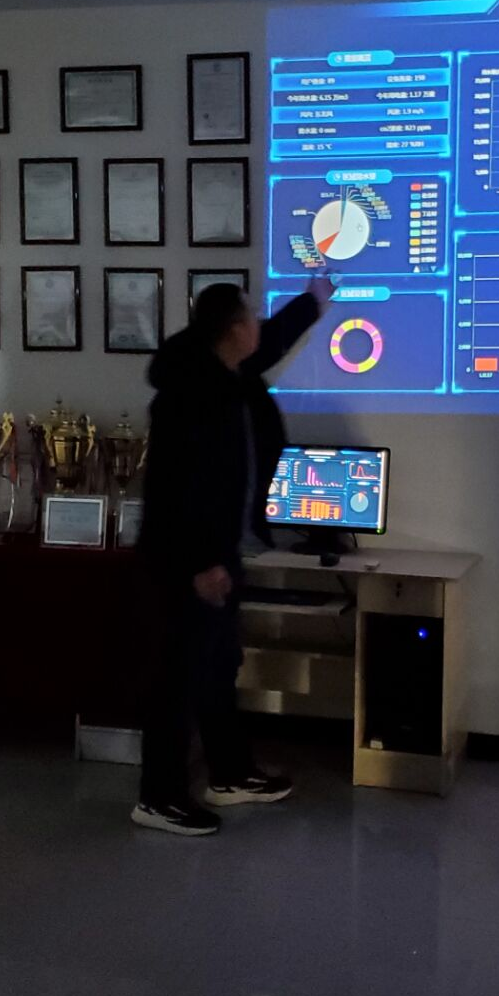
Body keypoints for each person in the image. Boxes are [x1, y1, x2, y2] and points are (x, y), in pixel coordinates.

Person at [133, 275, 332, 835]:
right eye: (250, 317)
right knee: (175, 679)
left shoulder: (225, 371)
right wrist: (201, 565)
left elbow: (272, 341)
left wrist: (314, 300)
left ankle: (228, 774)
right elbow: (178, 489)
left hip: (220, 552)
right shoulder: (190, 395)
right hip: (186, 564)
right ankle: (159, 797)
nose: (258, 326)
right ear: (232, 330)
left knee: (218, 668)